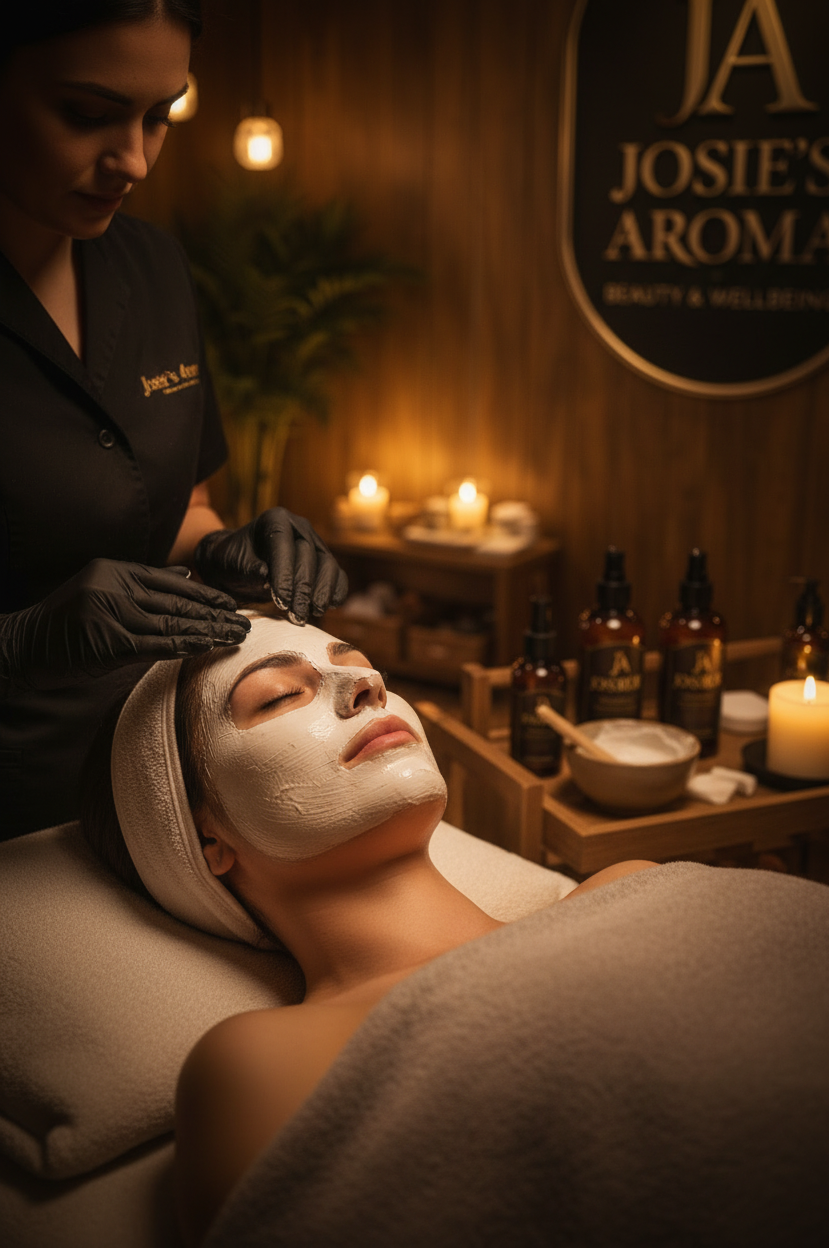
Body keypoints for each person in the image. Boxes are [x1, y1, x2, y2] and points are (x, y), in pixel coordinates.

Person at [82, 610, 657, 1247]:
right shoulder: (258, 1065)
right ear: (205, 835)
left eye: (359, 666)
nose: (367, 686)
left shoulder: (630, 891)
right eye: (279, 695)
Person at [0, 2, 347, 838]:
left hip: (158, 781)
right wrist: (18, 641)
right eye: (87, 114)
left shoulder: (151, 265)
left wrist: (226, 551)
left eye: (159, 116)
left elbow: (178, 509)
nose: (135, 160)